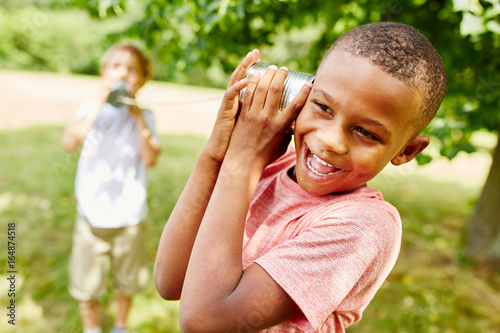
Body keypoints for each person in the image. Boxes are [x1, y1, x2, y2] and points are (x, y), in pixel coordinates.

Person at [154, 22, 446, 332]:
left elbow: (203, 322)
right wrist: (216, 156)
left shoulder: (364, 227)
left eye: (365, 132)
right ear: (302, 96)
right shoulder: (270, 163)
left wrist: (241, 161)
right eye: (322, 106)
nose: (332, 140)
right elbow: (170, 281)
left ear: (407, 151)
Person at [62, 44, 161, 333]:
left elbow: (150, 157)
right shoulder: (92, 109)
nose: (123, 73)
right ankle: (91, 327)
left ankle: (120, 325)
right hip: (91, 214)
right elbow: (70, 142)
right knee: (86, 282)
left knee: (126, 279)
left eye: (132, 70)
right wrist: (97, 103)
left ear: (142, 80)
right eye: (116, 66)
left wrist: (137, 115)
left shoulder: (145, 117)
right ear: (104, 72)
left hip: (129, 215)